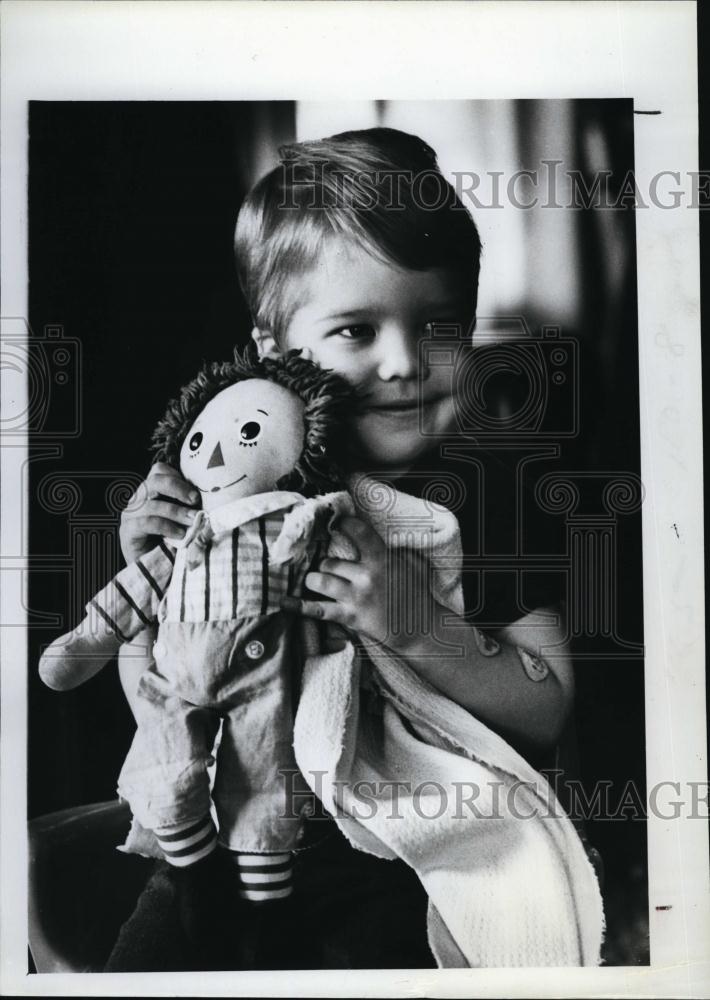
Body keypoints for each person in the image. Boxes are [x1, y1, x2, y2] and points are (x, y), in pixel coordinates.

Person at [109, 127, 575, 971]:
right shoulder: (230, 479)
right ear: (271, 353)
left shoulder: (490, 496)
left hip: (405, 855)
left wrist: (416, 621)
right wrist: (150, 553)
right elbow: (164, 660)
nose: (405, 363)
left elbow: (549, 706)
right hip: (215, 835)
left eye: (439, 326)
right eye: (357, 330)